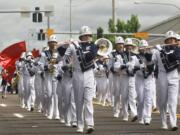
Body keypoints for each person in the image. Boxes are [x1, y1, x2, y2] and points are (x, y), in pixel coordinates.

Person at [64, 26, 97, 133]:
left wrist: (81, 50)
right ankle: (80, 125)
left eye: (89, 35)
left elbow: (91, 56)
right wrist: (67, 64)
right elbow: (65, 57)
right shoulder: (73, 46)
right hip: (77, 74)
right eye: (85, 35)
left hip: (89, 74)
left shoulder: (93, 46)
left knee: (88, 100)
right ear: (81, 36)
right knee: (79, 101)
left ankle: (90, 124)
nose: (88, 37)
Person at [153, 31, 179, 131]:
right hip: (162, 75)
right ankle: (163, 122)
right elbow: (151, 62)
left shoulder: (178, 50)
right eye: (170, 39)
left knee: (172, 101)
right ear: (166, 41)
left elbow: (174, 57)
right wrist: (146, 53)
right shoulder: (157, 51)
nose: (172, 41)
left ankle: (173, 123)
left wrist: (160, 50)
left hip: (174, 76)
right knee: (162, 101)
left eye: (173, 39)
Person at [135, 40, 154, 125]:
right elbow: (133, 67)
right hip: (139, 78)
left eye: (145, 47)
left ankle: (147, 117)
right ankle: (140, 116)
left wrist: (149, 68)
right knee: (140, 99)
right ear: (139, 48)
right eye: (142, 48)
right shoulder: (135, 57)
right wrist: (140, 67)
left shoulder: (151, 55)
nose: (143, 49)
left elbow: (153, 65)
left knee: (148, 98)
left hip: (149, 78)